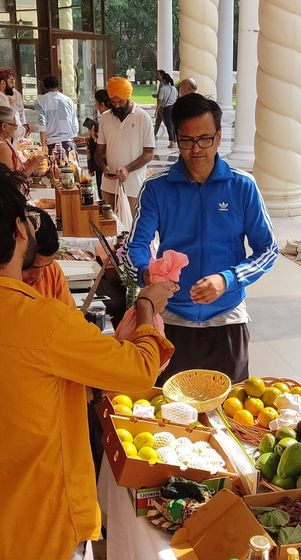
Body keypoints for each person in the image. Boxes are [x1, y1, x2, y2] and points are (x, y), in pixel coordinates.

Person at [0, 163, 177, 559]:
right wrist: (147, 305)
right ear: (17, 232)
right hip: (39, 522)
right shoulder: (39, 320)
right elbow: (138, 369)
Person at [124, 93, 278, 385]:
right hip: (170, 320)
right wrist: (147, 274)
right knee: (170, 413)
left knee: (228, 414)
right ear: (176, 139)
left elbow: (268, 249)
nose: (196, 149)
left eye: (205, 138)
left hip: (227, 318)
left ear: (218, 137)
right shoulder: (156, 188)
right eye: (186, 140)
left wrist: (228, 279)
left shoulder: (242, 186)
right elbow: (136, 246)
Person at [95, 76, 155, 216]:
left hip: (133, 186)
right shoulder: (105, 118)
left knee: (131, 228)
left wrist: (127, 169)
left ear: (128, 97)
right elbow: (99, 151)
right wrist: (104, 167)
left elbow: (149, 152)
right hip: (109, 186)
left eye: (120, 101)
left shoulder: (142, 117)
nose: (116, 106)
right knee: (110, 227)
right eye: (113, 101)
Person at [22, 205, 75, 307]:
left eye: (45, 265)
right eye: (32, 267)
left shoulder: (52, 270)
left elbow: (68, 314)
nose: (38, 276)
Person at [34, 74, 79, 155]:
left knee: (54, 167)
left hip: (52, 145)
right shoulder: (68, 100)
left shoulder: (41, 101)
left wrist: (43, 145)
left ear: (44, 86)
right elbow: (75, 125)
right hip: (69, 144)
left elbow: (42, 124)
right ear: (58, 85)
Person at [0, 106, 44, 175]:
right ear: (4, 126)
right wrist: (31, 167)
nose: (15, 128)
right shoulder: (2, 147)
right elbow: (13, 182)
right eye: (14, 125)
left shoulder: (5, 141)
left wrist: (25, 165)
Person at [87, 89, 111, 198]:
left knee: (104, 192)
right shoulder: (111, 117)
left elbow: (105, 144)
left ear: (101, 104)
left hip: (103, 162)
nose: (96, 106)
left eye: (96, 103)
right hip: (106, 162)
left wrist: (93, 137)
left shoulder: (105, 118)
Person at [0, 68, 27, 141]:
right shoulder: (2, 98)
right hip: (8, 134)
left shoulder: (16, 94)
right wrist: (26, 129)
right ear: (3, 83)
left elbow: (21, 113)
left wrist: (24, 126)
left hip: (17, 132)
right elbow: (7, 120)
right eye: (10, 80)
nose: (13, 82)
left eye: (13, 80)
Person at [156, 72, 177, 149]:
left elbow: (160, 102)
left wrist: (156, 110)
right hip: (174, 107)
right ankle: (175, 141)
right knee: (174, 125)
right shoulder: (174, 88)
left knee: (169, 126)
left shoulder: (163, 89)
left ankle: (172, 143)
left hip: (167, 109)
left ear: (164, 80)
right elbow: (176, 97)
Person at [153, 69, 165, 137]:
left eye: (158, 75)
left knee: (167, 123)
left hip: (162, 107)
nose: (156, 76)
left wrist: (157, 109)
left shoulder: (163, 84)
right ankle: (153, 135)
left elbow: (161, 98)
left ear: (162, 75)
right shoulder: (161, 84)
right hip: (160, 106)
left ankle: (174, 139)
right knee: (158, 121)